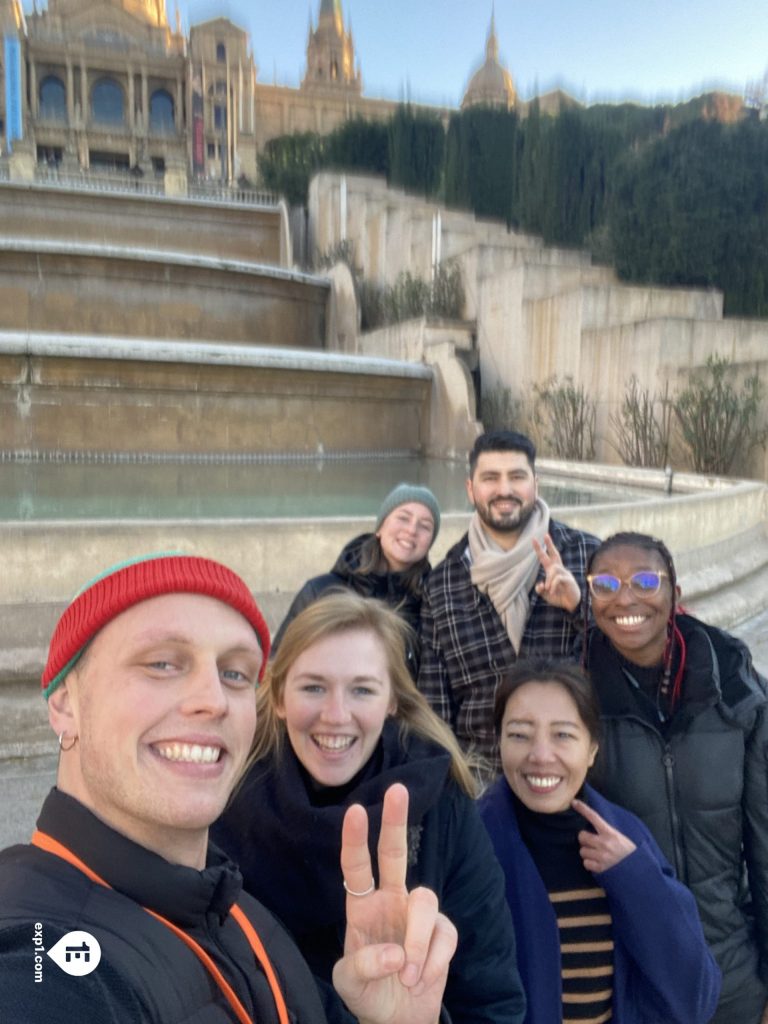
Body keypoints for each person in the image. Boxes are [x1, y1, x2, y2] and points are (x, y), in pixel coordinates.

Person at [0, 553, 458, 1024]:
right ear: (64, 706)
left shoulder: (233, 909)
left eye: (235, 673)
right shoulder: (36, 958)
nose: (213, 700)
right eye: (161, 663)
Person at [213, 590, 526, 1024]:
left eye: (362, 689)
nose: (336, 714)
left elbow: (491, 1000)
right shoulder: (221, 804)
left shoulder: (441, 808)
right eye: (313, 687)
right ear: (280, 698)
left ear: (392, 701)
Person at [584, 531, 768, 1024]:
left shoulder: (735, 690)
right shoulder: (577, 700)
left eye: (645, 580)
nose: (625, 598)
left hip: (732, 971)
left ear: (675, 595)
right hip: (633, 976)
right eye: (605, 583)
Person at [479, 660, 721, 1024]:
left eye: (562, 735)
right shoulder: (471, 842)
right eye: (519, 735)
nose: (541, 756)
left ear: (591, 749)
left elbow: (695, 999)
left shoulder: (626, 839)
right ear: (498, 742)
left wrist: (637, 881)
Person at [418, 429, 600, 774]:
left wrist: (581, 609)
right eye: (490, 478)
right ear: (471, 489)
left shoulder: (586, 556)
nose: (504, 490)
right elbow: (434, 707)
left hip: (569, 778)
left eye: (517, 476)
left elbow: (622, 663)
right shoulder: (443, 583)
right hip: (481, 783)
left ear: (536, 484)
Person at [273, 483, 440, 676]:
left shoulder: (432, 604)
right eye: (403, 518)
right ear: (380, 527)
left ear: (430, 543)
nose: (412, 530)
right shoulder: (320, 592)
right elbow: (277, 665)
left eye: (425, 526)